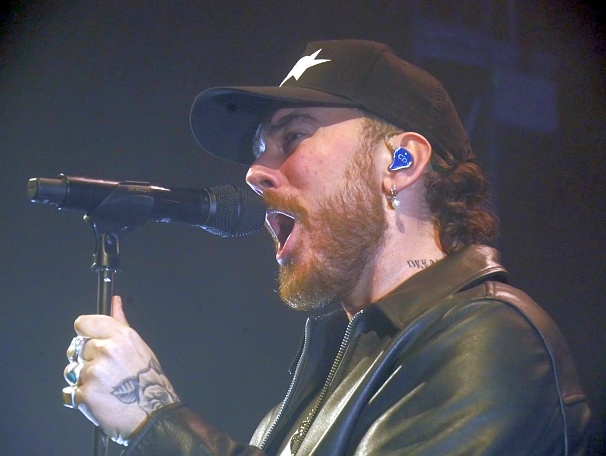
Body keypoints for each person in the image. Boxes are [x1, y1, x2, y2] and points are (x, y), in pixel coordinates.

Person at [62, 40, 591, 455]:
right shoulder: (316, 386)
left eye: (294, 136)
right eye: (259, 148)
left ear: (401, 162)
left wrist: (156, 422)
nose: (253, 172)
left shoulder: (489, 340)